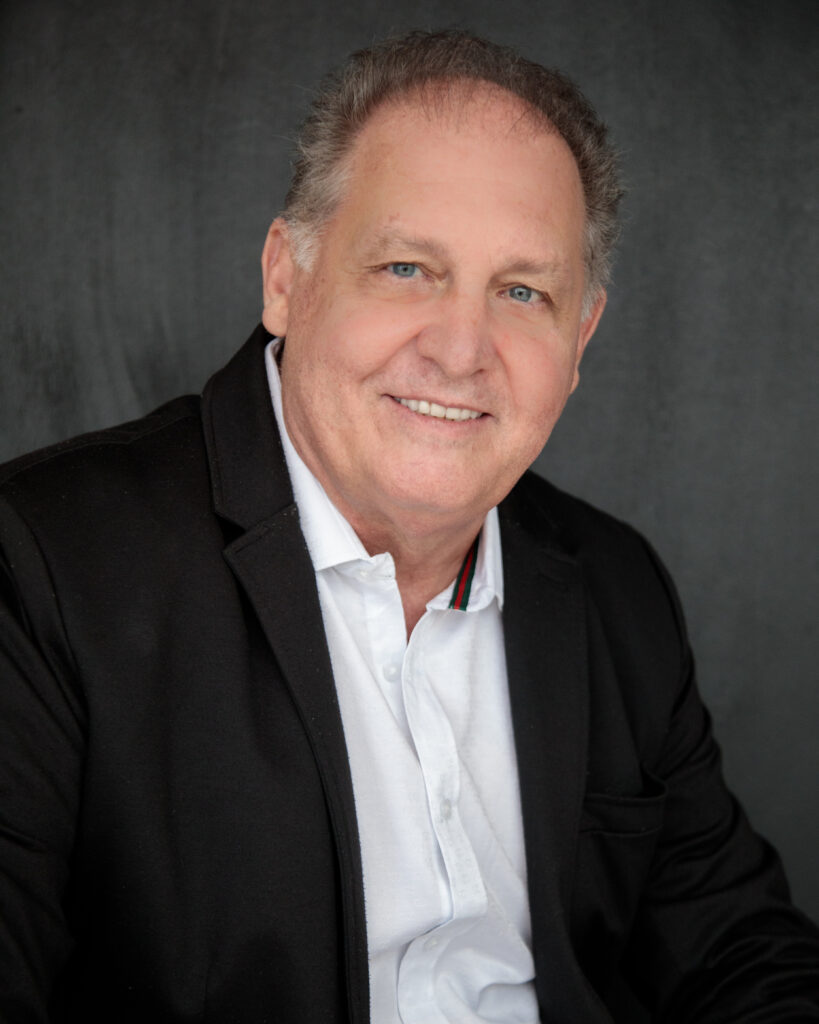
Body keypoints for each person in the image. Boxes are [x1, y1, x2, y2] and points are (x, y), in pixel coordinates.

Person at [0, 28, 816, 1024]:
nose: (462, 349)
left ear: (580, 337)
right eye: (405, 268)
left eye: (522, 291)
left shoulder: (614, 584)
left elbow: (737, 952)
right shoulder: (42, 564)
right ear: (285, 278)